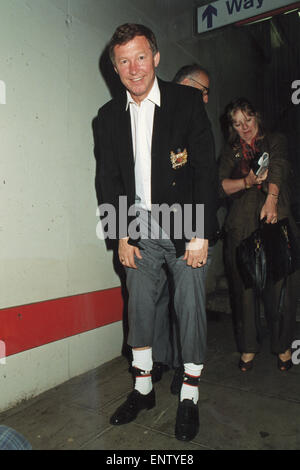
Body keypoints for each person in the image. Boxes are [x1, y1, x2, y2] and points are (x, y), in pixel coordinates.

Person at [95, 23, 218, 442]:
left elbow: (204, 167)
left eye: (141, 56)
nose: (134, 68)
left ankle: (189, 395)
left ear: (157, 57)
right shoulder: (108, 118)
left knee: (189, 309)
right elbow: (108, 180)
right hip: (138, 227)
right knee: (140, 309)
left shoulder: (185, 101)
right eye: (124, 60)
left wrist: (200, 232)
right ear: (115, 68)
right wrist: (121, 237)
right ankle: (143, 388)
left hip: (186, 225)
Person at [219, 97, 300, 372]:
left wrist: (272, 199)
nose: (244, 128)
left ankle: (284, 346)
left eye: (248, 121)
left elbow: (278, 166)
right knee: (243, 291)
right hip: (241, 225)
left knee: (282, 289)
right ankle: (248, 347)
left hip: (276, 219)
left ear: (258, 118)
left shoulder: (275, 139)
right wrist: (246, 182)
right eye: (237, 124)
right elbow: (220, 186)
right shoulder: (232, 150)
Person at [151, 64, 213, 395]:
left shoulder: (193, 119)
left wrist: (198, 230)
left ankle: (184, 368)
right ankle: (159, 358)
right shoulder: (152, 113)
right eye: (202, 90)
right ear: (185, 84)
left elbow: (205, 174)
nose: (205, 98)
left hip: (186, 223)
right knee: (157, 295)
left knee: (184, 301)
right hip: (152, 224)